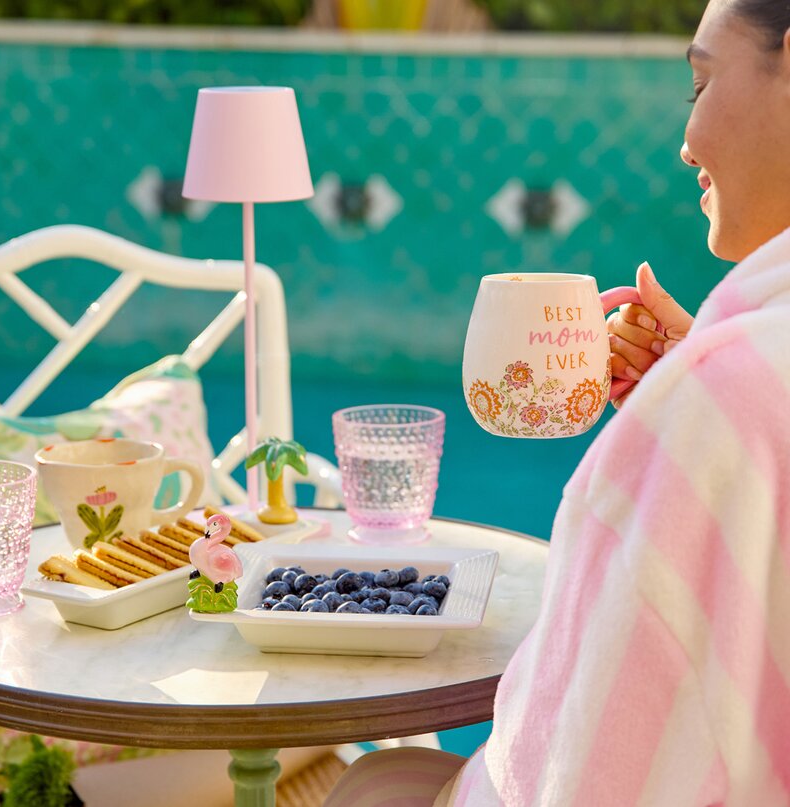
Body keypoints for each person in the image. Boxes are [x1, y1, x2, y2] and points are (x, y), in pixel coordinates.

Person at [325, 0, 790, 804]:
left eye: (700, 82)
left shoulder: (735, 394)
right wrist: (693, 383)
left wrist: (699, 408)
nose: (685, 143)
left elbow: (586, 759)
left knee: (373, 784)